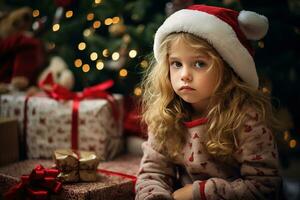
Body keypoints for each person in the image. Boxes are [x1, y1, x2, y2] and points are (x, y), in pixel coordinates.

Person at [135, 4, 282, 200]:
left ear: (228, 69)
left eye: (199, 63)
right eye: (176, 64)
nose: (184, 75)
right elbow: (152, 173)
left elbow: (265, 187)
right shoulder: (167, 115)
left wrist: (199, 193)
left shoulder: (246, 119)